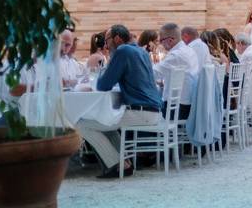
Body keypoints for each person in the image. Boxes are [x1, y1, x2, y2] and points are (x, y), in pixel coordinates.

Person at [76, 24, 163, 178]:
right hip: (153, 110)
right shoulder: (140, 51)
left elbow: (103, 85)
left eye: (107, 40)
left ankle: (117, 165)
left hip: (140, 112)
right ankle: (124, 163)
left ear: (117, 38)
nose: (105, 45)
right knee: (106, 123)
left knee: (81, 123)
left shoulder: (123, 51)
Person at [154, 22, 200, 119]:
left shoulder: (176, 55)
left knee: (144, 110)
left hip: (176, 109)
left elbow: (153, 74)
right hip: (189, 104)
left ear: (170, 40)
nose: (160, 44)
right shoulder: (189, 50)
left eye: (161, 40)